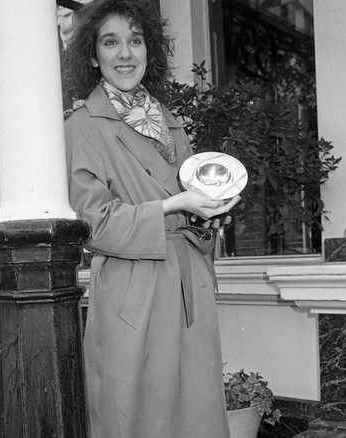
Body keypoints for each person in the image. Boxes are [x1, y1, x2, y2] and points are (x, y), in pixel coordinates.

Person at [62, 0, 240, 436]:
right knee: (133, 415)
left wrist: (208, 220)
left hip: (187, 284)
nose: (125, 53)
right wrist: (177, 206)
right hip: (132, 292)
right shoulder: (82, 125)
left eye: (135, 41)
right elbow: (95, 225)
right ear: (92, 55)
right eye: (111, 42)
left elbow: (188, 204)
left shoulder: (169, 120)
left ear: (149, 50)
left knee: (195, 417)